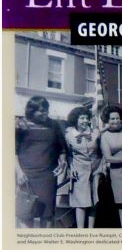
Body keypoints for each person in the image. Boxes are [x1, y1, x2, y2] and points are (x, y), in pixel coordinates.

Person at [16, 96, 67, 228]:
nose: (46, 113)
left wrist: (62, 162)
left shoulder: (54, 125)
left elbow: (61, 147)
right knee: (26, 212)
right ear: (31, 111)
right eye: (42, 111)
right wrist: (19, 172)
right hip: (26, 175)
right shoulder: (21, 125)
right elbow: (11, 151)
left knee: (47, 213)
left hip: (48, 175)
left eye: (47, 110)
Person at [65, 107, 103, 228]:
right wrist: (71, 167)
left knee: (94, 200)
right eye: (81, 118)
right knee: (81, 202)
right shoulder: (69, 135)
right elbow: (67, 154)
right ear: (75, 119)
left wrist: (101, 169)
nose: (85, 120)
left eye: (87, 118)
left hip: (95, 169)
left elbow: (102, 152)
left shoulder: (95, 133)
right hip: (79, 170)